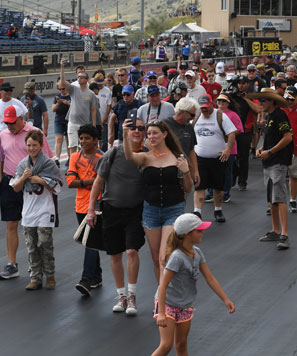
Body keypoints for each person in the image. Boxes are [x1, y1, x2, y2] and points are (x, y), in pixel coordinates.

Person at [87, 119, 148, 315]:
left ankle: (132, 296)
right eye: (132, 128)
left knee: (131, 251)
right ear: (126, 131)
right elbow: (98, 182)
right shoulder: (113, 153)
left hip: (135, 211)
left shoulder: (147, 155)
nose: (136, 131)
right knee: (115, 254)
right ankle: (121, 296)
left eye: (140, 128)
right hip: (111, 209)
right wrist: (90, 210)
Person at [152, 213, 235, 356]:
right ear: (187, 234)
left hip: (185, 305)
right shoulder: (177, 257)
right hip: (168, 304)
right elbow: (163, 285)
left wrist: (225, 299)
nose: (203, 233)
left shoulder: (197, 253)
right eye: (199, 231)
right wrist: (161, 313)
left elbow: (210, 278)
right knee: (166, 345)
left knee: (182, 344)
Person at [123, 119, 193, 285]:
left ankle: (164, 299)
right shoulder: (146, 158)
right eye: (149, 134)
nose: (151, 136)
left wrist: (186, 171)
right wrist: (125, 135)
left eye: (155, 133)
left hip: (173, 210)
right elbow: (129, 156)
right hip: (151, 211)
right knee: (156, 259)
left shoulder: (177, 157)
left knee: (164, 257)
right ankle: (161, 298)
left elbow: (188, 188)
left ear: (165, 134)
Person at [0, 105, 54, 281]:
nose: (9, 126)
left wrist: (44, 181)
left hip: (32, 185)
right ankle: (12, 264)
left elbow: (49, 159)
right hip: (10, 182)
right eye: (7, 123)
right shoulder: (3, 135)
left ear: (22, 118)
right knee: (11, 224)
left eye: (12, 122)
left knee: (36, 228)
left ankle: (41, 266)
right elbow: (1, 158)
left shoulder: (35, 133)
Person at [10, 130, 62, 290]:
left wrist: (41, 180)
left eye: (34, 145)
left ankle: (50, 274)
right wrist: (24, 177)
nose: (31, 148)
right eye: (29, 145)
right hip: (28, 211)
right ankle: (35, 277)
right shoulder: (22, 165)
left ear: (41, 145)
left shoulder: (49, 164)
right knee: (31, 245)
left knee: (45, 243)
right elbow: (16, 188)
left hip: (45, 210)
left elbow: (57, 187)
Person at [249, 88, 293, 250]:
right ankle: (275, 230)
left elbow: (288, 137)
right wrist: (261, 149)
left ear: (272, 101)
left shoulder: (280, 115)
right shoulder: (269, 117)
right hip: (268, 161)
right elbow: (269, 139)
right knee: (271, 198)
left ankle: (284, 234)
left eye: (264, 100)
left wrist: (270, 151)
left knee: (279, 197)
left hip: (278, 161)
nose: (261, 103)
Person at [66, 124, 104, 296]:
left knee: (90, 241)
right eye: (81, 138)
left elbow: (104, 182)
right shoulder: (74, 157)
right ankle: (97, 276)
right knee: (90, 241)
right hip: (80, 205)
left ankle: (86, 279)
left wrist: (83, 181)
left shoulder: (102, 158)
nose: (83, 141)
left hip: (97, 206)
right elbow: (70, 182)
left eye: (87, 138)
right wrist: (91, 182)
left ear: (95, 140)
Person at [192, 94, 237, 222]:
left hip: (218, 158)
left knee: (218, 188)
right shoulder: (196, 117)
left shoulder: (220, 116)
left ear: (212, 104)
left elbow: (232, 133)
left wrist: (228, 150)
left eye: (206, 107)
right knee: (199, 186)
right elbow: (190, 134)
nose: (204, 110)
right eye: (202, 108)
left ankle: (218, 210)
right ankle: (197, 212)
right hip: (200, 158)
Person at [207, 94, 243, 204]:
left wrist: (226, 131)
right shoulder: (213, 113)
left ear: (228, 103)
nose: (221, 104)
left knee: (227, 172)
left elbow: (239, 130)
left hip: (229, 148)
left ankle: (226, 193)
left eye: (223, 102)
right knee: (212, 170)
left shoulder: (233, 115)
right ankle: (211, 192)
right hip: (214, 147)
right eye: (219, 102)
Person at [60, 60, 98, 154]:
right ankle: (72, 165)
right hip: (72, 123)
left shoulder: (91, 94)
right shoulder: (74, 89)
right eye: (78, 77)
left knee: (83, 148)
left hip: (84, 124)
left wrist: (93, 125)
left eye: (82, 77)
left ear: (86, 80)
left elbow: (93, 110)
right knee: (72, 146)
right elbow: (63, 82)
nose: (79, 78)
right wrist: (62, 67)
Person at [230, 76, 261, 191]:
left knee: (243, 158)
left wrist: (245, 98)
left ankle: (242, 181)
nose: (241, 85)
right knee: (231, 156)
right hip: (232, 131)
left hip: (245, 130)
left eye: (243, 83)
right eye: (239, 83)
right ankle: (233, 176)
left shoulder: (250, 96)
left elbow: (258, 109)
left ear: (247, 84)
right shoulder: (232, 95)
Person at [163, 98, 200, 188]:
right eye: (192, 114)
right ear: (182, 112)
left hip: (184, 170)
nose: (193, 117)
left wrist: (195, 171)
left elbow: (191, 150)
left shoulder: (189, 127)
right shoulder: (164, 124)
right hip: (166, 169)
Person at [52, 81, 71, 165]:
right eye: (59, 89)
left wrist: (68, 103)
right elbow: (53, 109)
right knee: (58, 139)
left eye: (63, 89)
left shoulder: (71, 96)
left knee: (68, 140)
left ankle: (70, 157)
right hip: (59, 120)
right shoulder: (57, 96)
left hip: (69, 120)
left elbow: (76, 106)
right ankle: (57, 158)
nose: (61, 91)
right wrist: (58, 103)